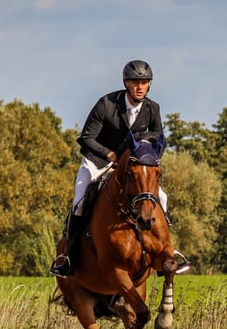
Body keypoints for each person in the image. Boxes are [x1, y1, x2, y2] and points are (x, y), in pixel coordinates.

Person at [50, 60, 182, 277]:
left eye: (144, 82)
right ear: (126, 83)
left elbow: (159, 138)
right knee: (80, 202)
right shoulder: (107, 104)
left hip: (130, 167)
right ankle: (69, 258)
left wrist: (147, 157)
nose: (140, 86)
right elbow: (86, 138)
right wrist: (110, 155)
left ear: (149, 85)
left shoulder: (152, 108)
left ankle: (165, 251)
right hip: (98, 162)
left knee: (163, 198)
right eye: (135, 82)